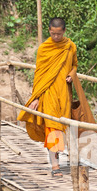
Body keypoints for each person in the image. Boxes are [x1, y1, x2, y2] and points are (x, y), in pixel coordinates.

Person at [17, 17, 78, 177]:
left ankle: (58, 157)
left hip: (64, 93)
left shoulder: (70, 47)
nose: (56, 37)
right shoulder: (44, 48)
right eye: (52, 34)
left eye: (58, 34)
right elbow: (40, 74)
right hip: (48, 93)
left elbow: (74, 66)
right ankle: (55, 166)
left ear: (64, 31)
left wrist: (72, 74)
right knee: (52, 127)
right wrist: (36, 97)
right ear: (49, 31)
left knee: (61, 125)